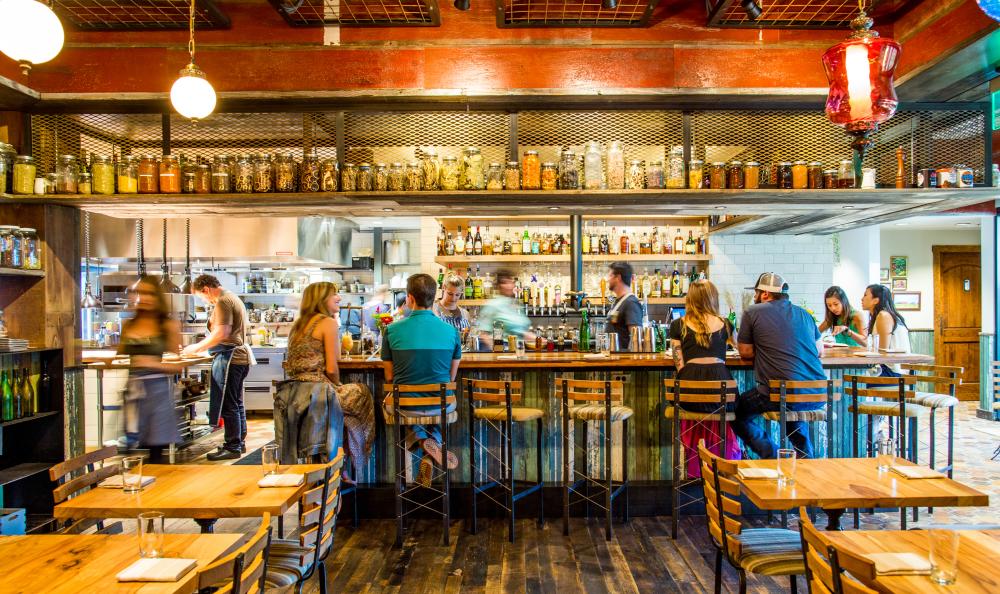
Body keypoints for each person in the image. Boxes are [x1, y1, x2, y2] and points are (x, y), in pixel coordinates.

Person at [278, 282, 375, 481]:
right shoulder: (328, 323)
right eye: (334, 295)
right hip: (318, 393)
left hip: (292, 395)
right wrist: (337, 385)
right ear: (322, 300)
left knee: (345, 413)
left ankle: (337, 467)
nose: (339, 297)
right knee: (361, 394)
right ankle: (347, 463)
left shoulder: (298, 325)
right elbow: (333, 367)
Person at [735, 272, 827, 459]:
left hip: (779, 392)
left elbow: (745, 352)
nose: (755, 296)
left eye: (757, 292)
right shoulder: (804, 314)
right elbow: (820, 351)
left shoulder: (752, 312)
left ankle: (773, 455)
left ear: (766, 294)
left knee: (735, 411)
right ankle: (804, 461)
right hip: (816, 392)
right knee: (791, 403)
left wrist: (764, 348)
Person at [381, 273, 461, 486]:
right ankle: (432, 444)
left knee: (389, 402)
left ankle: (421, 439)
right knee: (440, 403)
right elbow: (451, 377)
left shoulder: (391, 330)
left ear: (409, 298)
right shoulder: (452, 332)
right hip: (441, 405)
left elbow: (389, 377)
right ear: (435, 297)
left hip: (404, 406)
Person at [669, 279, 741, 477]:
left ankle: (696, 462)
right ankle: (721, 466)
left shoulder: (678, 324)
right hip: (721, 396)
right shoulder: (726, 324)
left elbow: (679, 363)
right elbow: (743, 349)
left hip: (688, 397)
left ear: (690, 299)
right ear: (713, 298)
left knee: (688, 398)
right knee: (734, 408)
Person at [182, 274, 254, 461]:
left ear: (206, 289)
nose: (204, 299)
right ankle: (239, 442)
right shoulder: (233, 297)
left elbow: (222, 333)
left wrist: (196, 348)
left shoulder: (223, 301)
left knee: (228, 405)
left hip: (231, 358)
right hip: (239, 358)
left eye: (201, 296)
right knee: (236, 403)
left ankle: (232, 446)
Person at [118, 276, 182, 463]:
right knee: (129, 446)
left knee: (155, 449)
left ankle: (157, 487)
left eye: (149, 294)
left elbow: (178, 365)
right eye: (139, 293)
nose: (143, 298)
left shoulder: (167, 325)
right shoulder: (128, 325)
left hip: (158, 392)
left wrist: (151, 363)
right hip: (133, 392)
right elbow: (120, 354)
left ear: (157, 297)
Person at [477, 269, 537, 349]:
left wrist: (537, 339)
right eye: (505, 283)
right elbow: (483, 334)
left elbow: (520, 332)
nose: (509, 286)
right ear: (498, 286)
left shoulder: (516, 304)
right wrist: (496, 351)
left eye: (511, 282)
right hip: (503, 351)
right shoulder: (492, 305)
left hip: (518, 350)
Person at [860, 283, 911, 376]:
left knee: (855, 380)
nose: (862, 298)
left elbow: (883, 351)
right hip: (892, 370)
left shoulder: (883, 315)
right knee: (855, 378)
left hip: (893, 372)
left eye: (865, 295)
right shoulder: (883, 315)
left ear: (876, 300)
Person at [605, 262, 643, 350]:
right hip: (615, 358)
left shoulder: (631, 303)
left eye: (610, 275)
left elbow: (636, 339)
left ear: (618, 278)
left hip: (623, 360)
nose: (607, 279)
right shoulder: (620, 301)